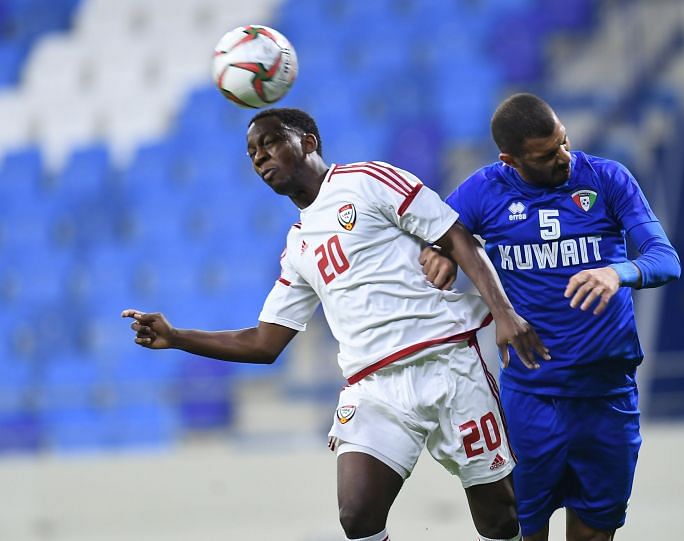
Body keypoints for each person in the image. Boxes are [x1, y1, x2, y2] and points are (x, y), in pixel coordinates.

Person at [122, 107, 551, 541]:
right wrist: (177, 338)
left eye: (270, 143)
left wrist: (504, 313)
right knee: (357, 516)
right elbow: (264, 343)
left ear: (308, 142)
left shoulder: (368, 180)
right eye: (252, 152)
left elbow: (456, 237)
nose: (259, 158)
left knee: (500, 517)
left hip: (448, 364)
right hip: (374, 386)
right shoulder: (297, 245)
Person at [420, 93, 681, 541]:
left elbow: (665, 259)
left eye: (563, 142)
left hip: (609, 393)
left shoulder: (608, 177)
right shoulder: (485, 189)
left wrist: (618, 272)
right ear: (511, 159)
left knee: (595, 533)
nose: (563, 157)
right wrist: (439, 252)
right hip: (532, 395)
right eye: (547, 154)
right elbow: (435, 234)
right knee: (528, 530)